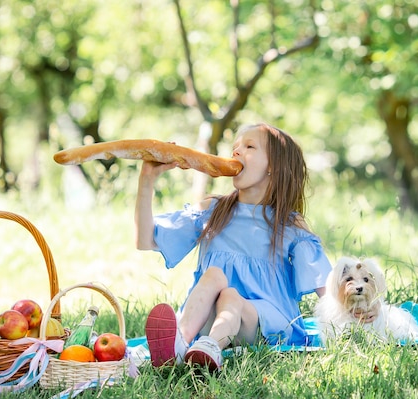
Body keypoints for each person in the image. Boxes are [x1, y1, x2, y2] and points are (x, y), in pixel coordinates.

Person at [135, 123, 332, 371]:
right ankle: (179, 343)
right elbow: (146, 240)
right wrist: (147, 179)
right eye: (235, 147)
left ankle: (210, 347)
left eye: (249, 146)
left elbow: (326, 287)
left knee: (232, 297)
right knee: (215, 276)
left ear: (274, 166)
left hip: (264, 325)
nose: (236, 152)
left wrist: (360, 314)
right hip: (209, 320)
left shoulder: (288, 223)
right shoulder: (213, 210)